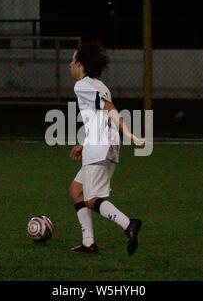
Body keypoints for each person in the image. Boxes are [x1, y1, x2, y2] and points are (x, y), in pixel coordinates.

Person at [68, 41, 145, 256]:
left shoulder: (82, 85)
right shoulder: (99, 85)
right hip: (105, 144)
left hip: (101, 146)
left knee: (91, 199)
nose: (70, 65)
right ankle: (88, 242)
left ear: (81, 64)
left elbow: (109, 109)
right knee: (76, 190)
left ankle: (128, 224)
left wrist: (130, 135)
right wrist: (85, 143)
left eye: (73, 61)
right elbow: (102, 117)